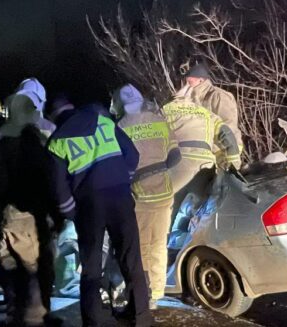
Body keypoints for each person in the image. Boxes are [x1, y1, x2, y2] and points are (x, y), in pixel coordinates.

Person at [46, 95, 153, 327]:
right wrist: (122, 180)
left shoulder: (56, 142)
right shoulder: (103, 122)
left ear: (54, 118)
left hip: (89, 206)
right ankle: (141, 316)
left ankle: (94, 319)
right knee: (131, 258)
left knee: (92, 267)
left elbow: (59, 189)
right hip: (120, 198)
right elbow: (132, 155)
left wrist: (72, 214)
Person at [0, 85, 64, 327]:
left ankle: (13, 315)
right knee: (35, 269)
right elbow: (48, 178)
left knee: (9, 270)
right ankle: (36, 316)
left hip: (1, 215)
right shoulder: (32, 140)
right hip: (28, 216)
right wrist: (57, 213)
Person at [111, 84, 181, 309]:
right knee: (159, 243)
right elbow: (175, 157)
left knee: (140, 246)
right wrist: (158, 168)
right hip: (164, 192)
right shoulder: (158, 120)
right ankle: (157, 291)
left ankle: (143, 293)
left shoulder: (120, 126)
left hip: (138, 195)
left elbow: (118, 166)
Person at [163, 89, 241, 214]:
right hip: (205, 166)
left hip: (178, 166)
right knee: (202, 212)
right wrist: (234, 164)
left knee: (168, 211)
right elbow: (227, 135)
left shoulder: (164, 111)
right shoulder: (205, 113)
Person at [182, 62, 243, 167]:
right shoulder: (189, 100)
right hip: (207, 155)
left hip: (224, 151)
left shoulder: (219, 96)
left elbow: (229, 126)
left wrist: (229, 155)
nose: (185, 85)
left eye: (189, 81)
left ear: (200, 80)